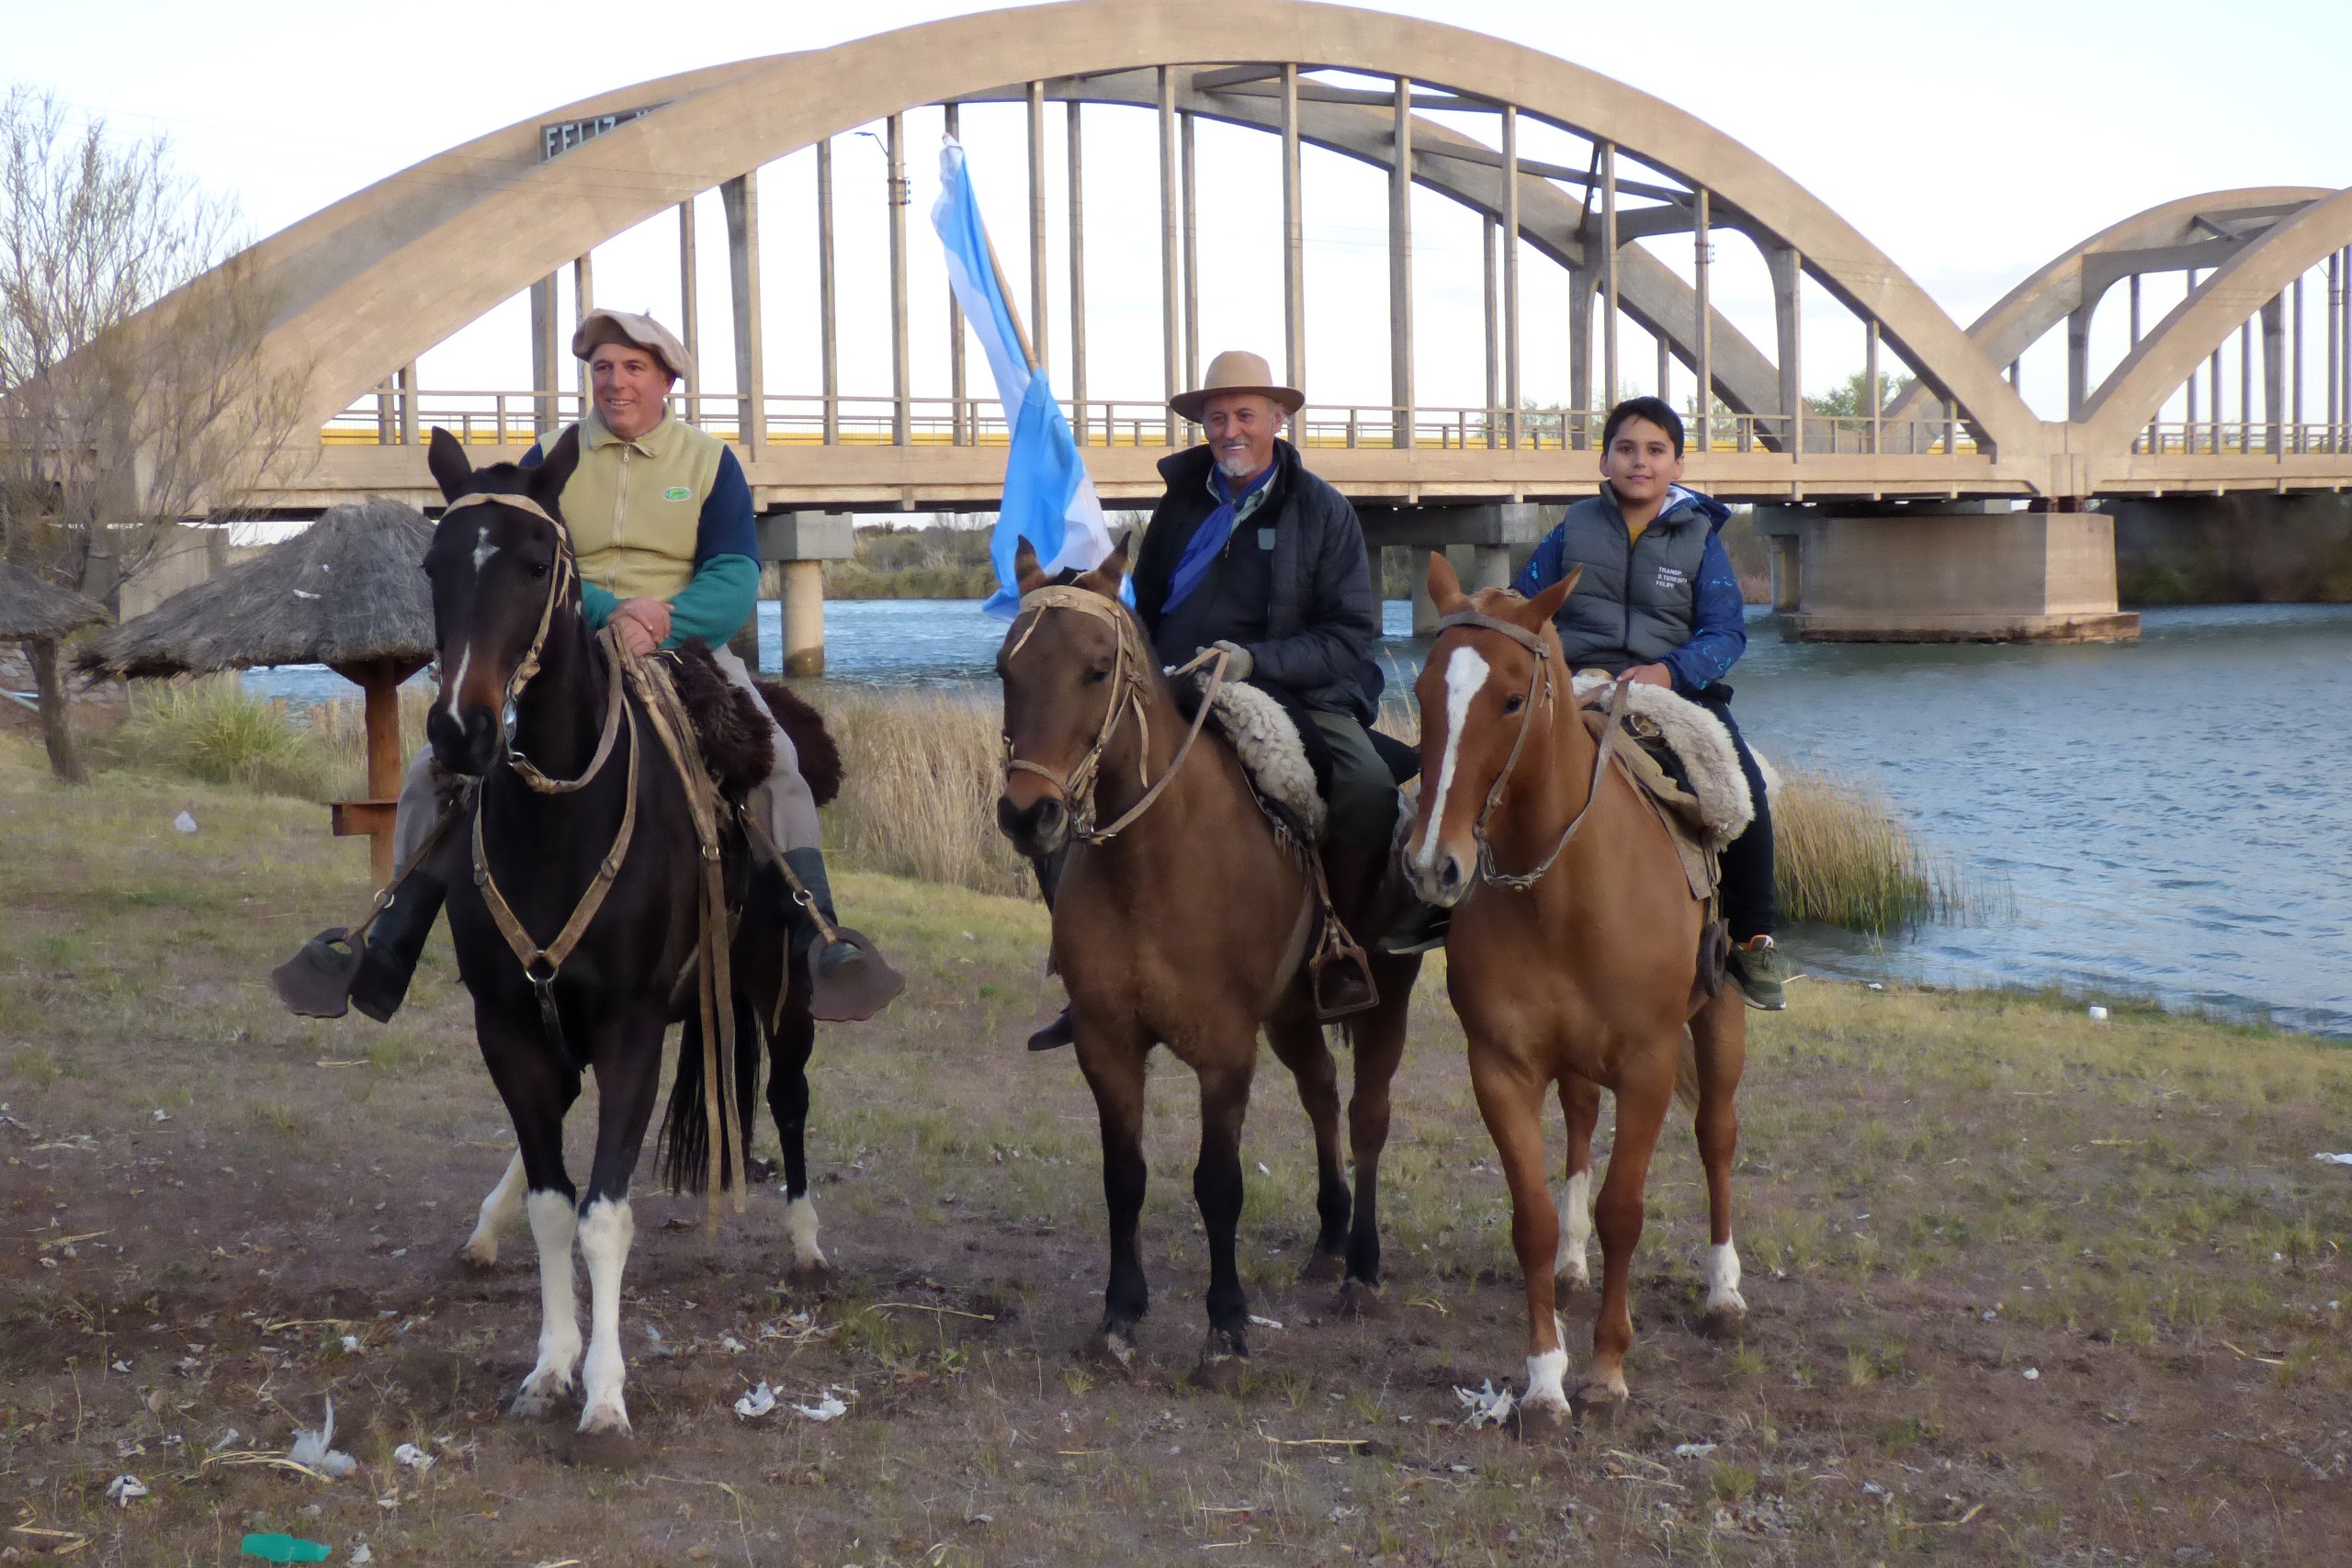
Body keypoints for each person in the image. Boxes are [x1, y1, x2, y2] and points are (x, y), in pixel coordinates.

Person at [312, 308, 869, 1021]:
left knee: (779, 762)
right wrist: (612, 613)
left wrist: (666, 619)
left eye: (634, 367)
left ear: (667, 379)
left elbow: (734, 580)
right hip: (565, 647)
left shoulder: (710, 463)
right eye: (603, 368)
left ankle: (817, 936)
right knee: (434, 770)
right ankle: (392, 941)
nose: (616, 382)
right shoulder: (549, 458)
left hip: (687, 652)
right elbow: (524, 565)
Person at [1511, 395, 1784, 1009]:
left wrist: (1668, 670)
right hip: (1578, 684)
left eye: (1656, 450)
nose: (1641, 461)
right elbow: (1523, 603)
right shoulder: (1571, 530)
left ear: (1678, 465)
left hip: (1672, 691)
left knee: (1740, 786)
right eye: (1627, 448)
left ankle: (1755, 935)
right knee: (1482, 754)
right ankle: (1445, 900)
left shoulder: (1700, 540)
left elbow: (1726, 634)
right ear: (1603, 460)